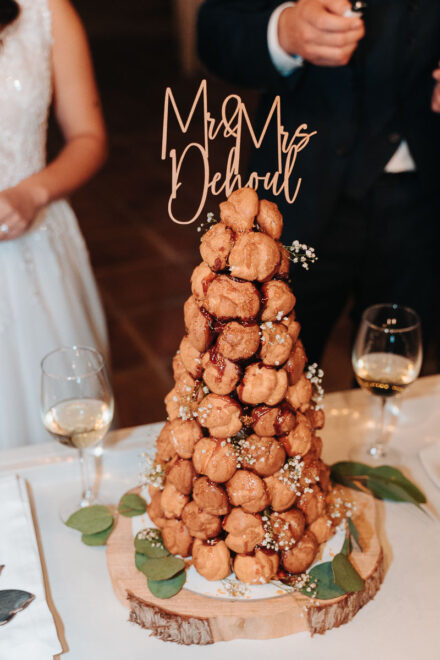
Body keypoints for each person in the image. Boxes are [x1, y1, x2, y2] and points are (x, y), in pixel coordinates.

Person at [197, 0, 440, 365]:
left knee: (399, 368)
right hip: (297, 189)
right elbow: (214, 30)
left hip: (426, 195)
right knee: (265, 369)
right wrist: (283, 32)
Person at [0, 0, 109, 449]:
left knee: (63, 425)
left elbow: (89, 137)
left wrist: (33, 193)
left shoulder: (47, 11)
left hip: (36, 251)